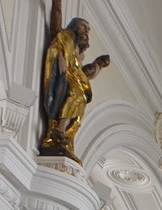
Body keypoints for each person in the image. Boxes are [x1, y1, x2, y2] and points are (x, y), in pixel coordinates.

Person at [40, 1, 110, 161]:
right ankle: (58, 130)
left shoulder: (79, 55)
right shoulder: (66, 36)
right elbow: (56, 22)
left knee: (80, 100)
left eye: (88, 29)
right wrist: (60, 57)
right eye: (83, 26)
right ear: (74, 26)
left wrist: (98, 64)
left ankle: (63, 136)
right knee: (77, 95)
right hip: (64, 76)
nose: (87, 30)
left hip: (74, 81)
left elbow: (82, 74)